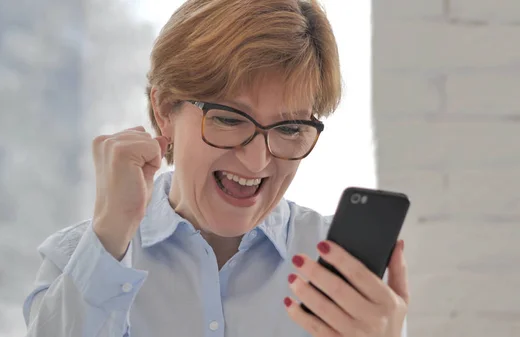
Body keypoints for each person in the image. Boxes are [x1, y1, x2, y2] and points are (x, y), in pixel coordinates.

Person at [23, 0, 409, 336]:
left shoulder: (343, 274)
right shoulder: (78, 259)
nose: (257, 160)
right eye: (229, 119)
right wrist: (109, 236)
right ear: (165, 110)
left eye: (290, 128)